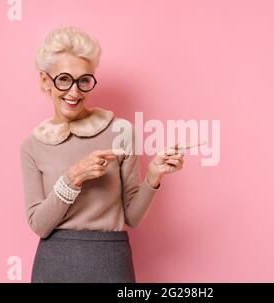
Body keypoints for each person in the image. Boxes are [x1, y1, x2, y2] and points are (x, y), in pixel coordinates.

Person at [20, 26, 185, 282]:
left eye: (84, 80)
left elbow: (132, 217)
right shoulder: (33, 146)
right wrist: (73, 177)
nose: (74, 93)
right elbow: (39, 225)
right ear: (45, 80)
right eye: (64, 79)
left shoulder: (120, 131)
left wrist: (153, 176)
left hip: (111, 262)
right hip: (54, 265)